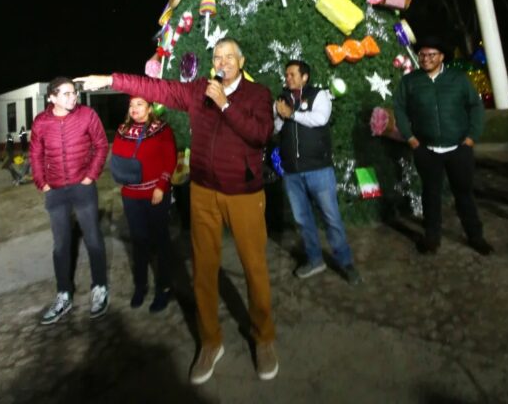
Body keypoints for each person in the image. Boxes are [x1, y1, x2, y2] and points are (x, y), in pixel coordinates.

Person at [75, 38, 279, 385]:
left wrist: (226, 105)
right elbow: (157, 87)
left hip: (243, 194)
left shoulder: (258, 94)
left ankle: (263, 338)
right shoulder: (200, 90)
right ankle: (211, 342)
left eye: (230, 56)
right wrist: (110, 80)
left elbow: (260, 135)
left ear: (241, 61)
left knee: (254, 267)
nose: (223, 61)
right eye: (217, 56)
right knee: (203, 269)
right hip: (202, 192)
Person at [393, 37, 493, 256]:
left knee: (464, 194)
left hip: (459, 149)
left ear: (442, 57)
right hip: (426, 150)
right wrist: (410, 138)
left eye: (432, 55)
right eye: (422, 55)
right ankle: (432, 238)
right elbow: (399, 108)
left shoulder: (458, 79)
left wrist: (471, 138)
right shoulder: (411, 81)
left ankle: (476, 237)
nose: (426, 59)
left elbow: (476, 106)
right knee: (430, 195)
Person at [30, 76, 110, 325]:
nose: (72, 97)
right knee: (61, 244)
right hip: (55, 191)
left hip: (82, 187)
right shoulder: (41, 122)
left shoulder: (87, 115)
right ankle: (64, 294)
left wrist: (90, 175)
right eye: (65, 94)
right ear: (51, 97)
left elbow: (101, 145)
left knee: (93, 238)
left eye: (73, 92)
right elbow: (35, 153)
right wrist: (41, 182)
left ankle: (100, 288)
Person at [274, 60, 361, 285]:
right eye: (287, 74)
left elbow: (319, 119)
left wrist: (291, 114)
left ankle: (345, 261)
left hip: (319, 169)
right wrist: (279, 115)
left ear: (305, 77)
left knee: (331, 217)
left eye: (293, 74)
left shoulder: (318, 95)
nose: (288, 77)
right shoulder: (281, 98)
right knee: (302, 220)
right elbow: (275, 128)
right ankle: (314, 260)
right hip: (292, 172)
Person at [112, 95, 177, 312]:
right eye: (131, 105)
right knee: (138, 242)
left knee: (161, 241)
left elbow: (170, 159)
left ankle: (164, 287)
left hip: (155, 194)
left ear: (150, 108)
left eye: (139, 104)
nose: (134, 109)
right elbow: (118, 159)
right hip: (131, 195)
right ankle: (140, 286)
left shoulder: (161, 129)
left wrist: (161, 185)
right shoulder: (122, 130)